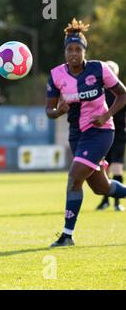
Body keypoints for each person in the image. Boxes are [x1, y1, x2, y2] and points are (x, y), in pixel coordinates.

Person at [46, 18, 126, 247]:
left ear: (84, 51)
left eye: (78, 49)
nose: (73, 53)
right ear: (64, 51)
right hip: (77, 135)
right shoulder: (56, 75)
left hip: (100, 132)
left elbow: (123, 94)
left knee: (74, 179)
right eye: (69, 49)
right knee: (102, 187)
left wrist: (107, 115)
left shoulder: (98, 69)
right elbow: (48, 111)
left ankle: (67, 236)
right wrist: (58, 111)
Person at [96, 61, 125, 212]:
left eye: (112, 70)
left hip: (119, 135)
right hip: (104, 135)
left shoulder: (122, 93)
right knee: (104, 170)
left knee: (117, 168)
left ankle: (117, 203)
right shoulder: (99, 92)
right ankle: (105, 200)